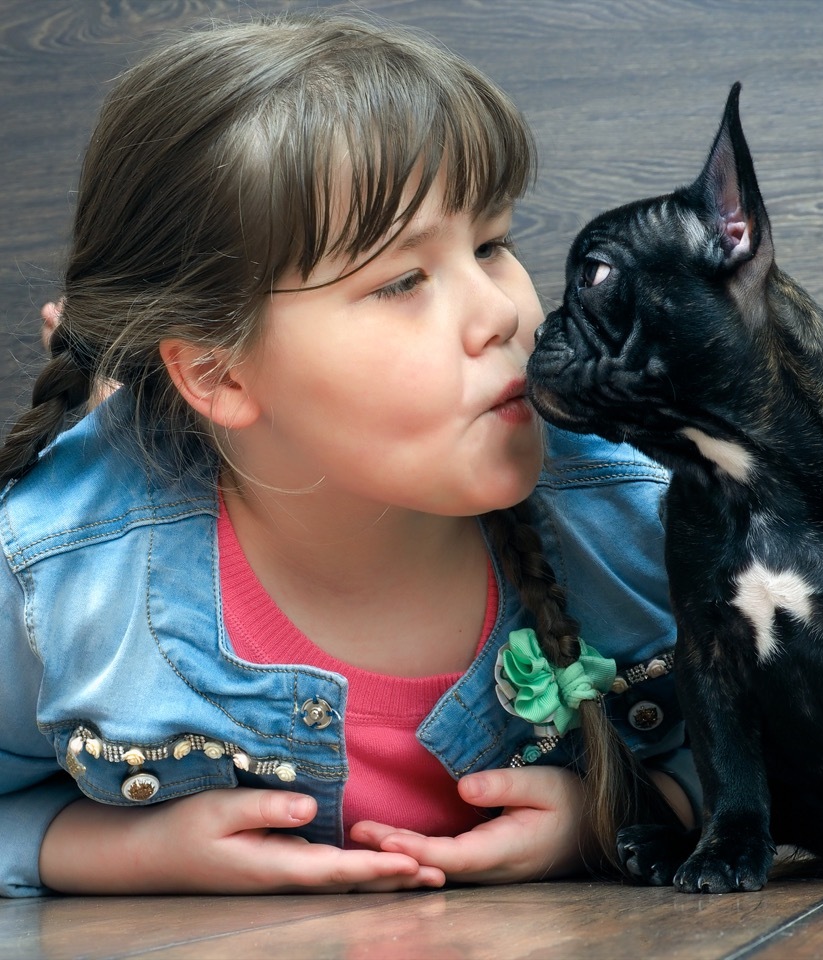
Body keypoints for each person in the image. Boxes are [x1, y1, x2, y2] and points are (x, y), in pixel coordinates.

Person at [0, 13, 696, 897]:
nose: (503, 314)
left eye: (492, 244)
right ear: (216, 368)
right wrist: (127, 853)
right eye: (402, 280)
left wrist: (620, 820)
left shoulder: (640, 517)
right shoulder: (59, 572)